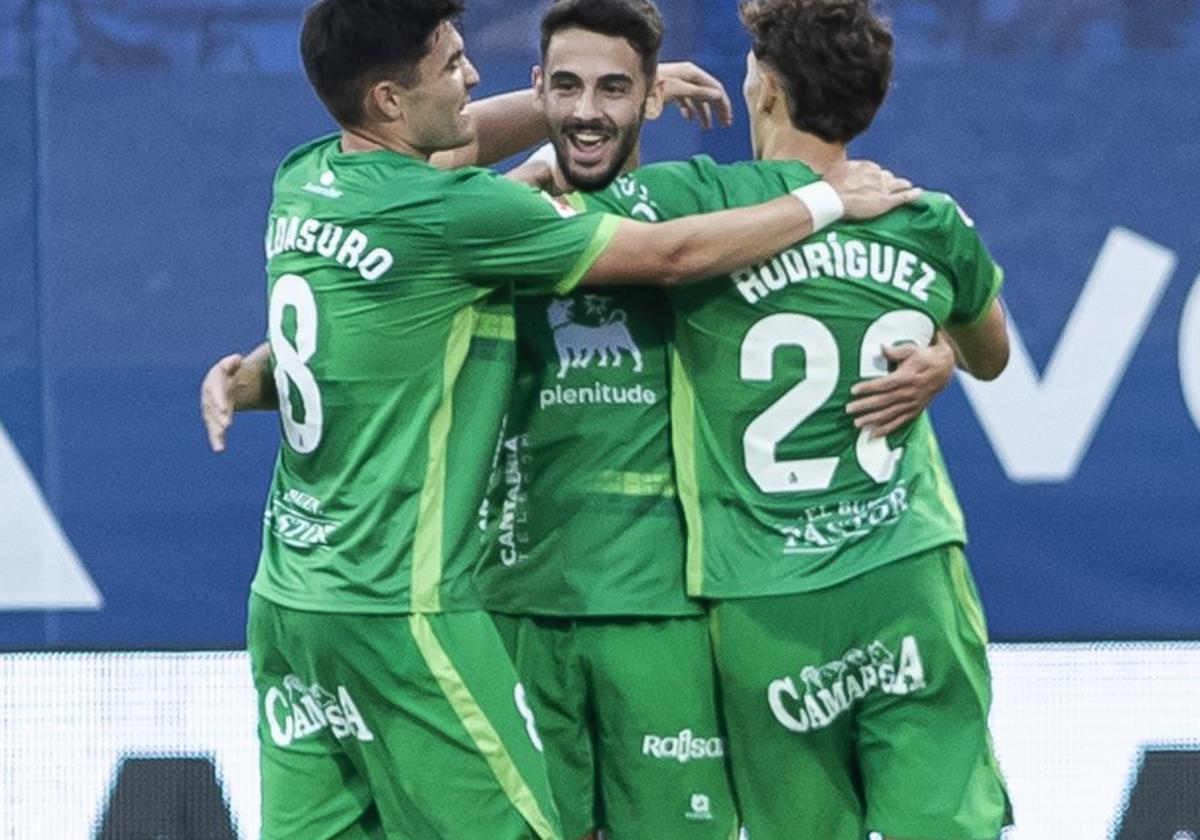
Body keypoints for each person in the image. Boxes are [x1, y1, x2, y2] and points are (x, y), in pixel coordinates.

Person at [218, 0, 919, 837]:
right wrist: (828, 200)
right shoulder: (465, 213)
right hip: (401, 604)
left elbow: (445, 168)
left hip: (288, 601)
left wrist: (254, 375)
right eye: (450, 66)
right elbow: (670, 255)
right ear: (389, 102)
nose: (472, 78)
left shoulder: (305, 177)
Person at [578, 0, 1013, 837]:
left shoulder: (690, 203)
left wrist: (626, 101)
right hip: (908, 574)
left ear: (767, 89)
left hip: (764, 598)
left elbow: (535, 216)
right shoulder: (927, 218)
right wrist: (945, 354)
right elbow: (991, 355)